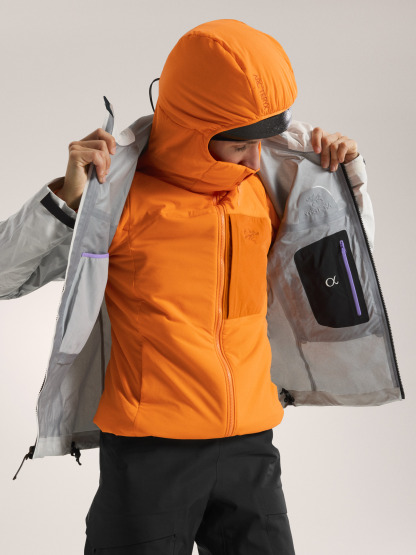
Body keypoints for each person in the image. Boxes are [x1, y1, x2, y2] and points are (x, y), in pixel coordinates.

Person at [1, 18, 403, 555]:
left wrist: (343, 182)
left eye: (261, 143)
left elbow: (341, 276)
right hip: (150, 455)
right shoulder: (118, 196)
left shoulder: (262, 191)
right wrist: (64, 200)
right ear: (196, 131)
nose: (255, 160)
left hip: (250, 448)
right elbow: (6, 275)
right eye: (239, 147)